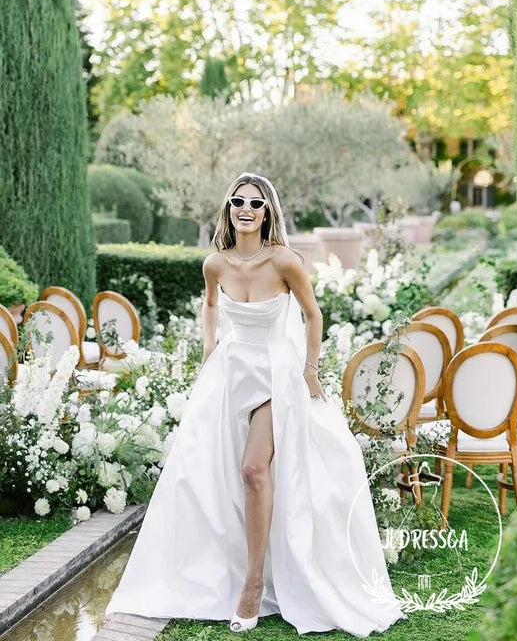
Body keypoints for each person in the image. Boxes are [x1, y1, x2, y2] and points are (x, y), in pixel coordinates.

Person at [106, 172, 403, 636]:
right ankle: (226, 564)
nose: (246, 209)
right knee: (211, 473)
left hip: (274, 375)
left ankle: (253, 582)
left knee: (252, 469)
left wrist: (309, 368)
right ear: (228, 209)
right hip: (229, 373)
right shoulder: (215, 264)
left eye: (256, 203)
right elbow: (209, 305)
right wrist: (209, 348)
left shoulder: (284, 260)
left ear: (267, 213)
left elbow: (313, 314)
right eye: (238, 201)